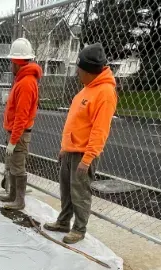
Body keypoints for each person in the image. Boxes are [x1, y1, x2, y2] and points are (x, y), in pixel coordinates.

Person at [45, 43, 117, 244]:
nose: (77, 72)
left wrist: (87, 159)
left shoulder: (104, 92)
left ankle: (79, 229)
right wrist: (63, 148)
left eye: (80, 69)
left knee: (80, 193)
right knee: (66, 191)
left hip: (83, 154)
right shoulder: (87, 89)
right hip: (70, 151)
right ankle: (63, 221)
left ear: (91, 71)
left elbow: (100, 130)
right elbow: (74, 122)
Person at [0, 38, 42, 210]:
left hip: (20, 134)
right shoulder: (22, 80)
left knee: (17, 166)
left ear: (17, 63)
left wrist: (14, 140)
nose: (10, 66)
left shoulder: (26, 83)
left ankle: (19, 200)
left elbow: (21, 117)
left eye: (11, 62)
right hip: (15, 133)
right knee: (11, 164)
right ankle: (12, 195)